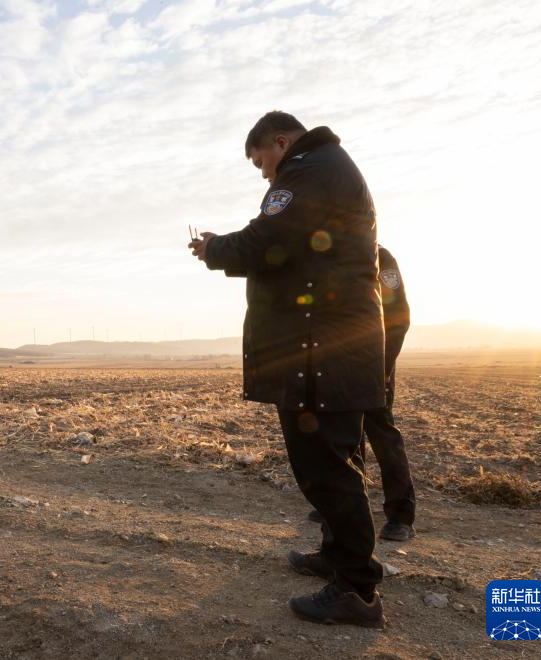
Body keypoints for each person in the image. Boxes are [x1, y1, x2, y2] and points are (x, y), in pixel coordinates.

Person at [189, 111, 386, 627]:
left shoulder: (308, 171)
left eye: (261, 161)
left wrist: (213, 249)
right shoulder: (323, 167)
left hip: (322, 348)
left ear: (280, 141)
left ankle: (357, 591)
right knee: (335, 460)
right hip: (329, 343)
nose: (262, 173)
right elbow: (286, 245)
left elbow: (267, 241)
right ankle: (339, 557)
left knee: (326, 467)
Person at [306, 245, 416, 541]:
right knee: (345, 436)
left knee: (382, 434)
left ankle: (401, 515)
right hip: (337, 366)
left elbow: (398, 316)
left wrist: (383, 367)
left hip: (374, 365)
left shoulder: (380, 257)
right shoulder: (327, 254)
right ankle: (349, 504)